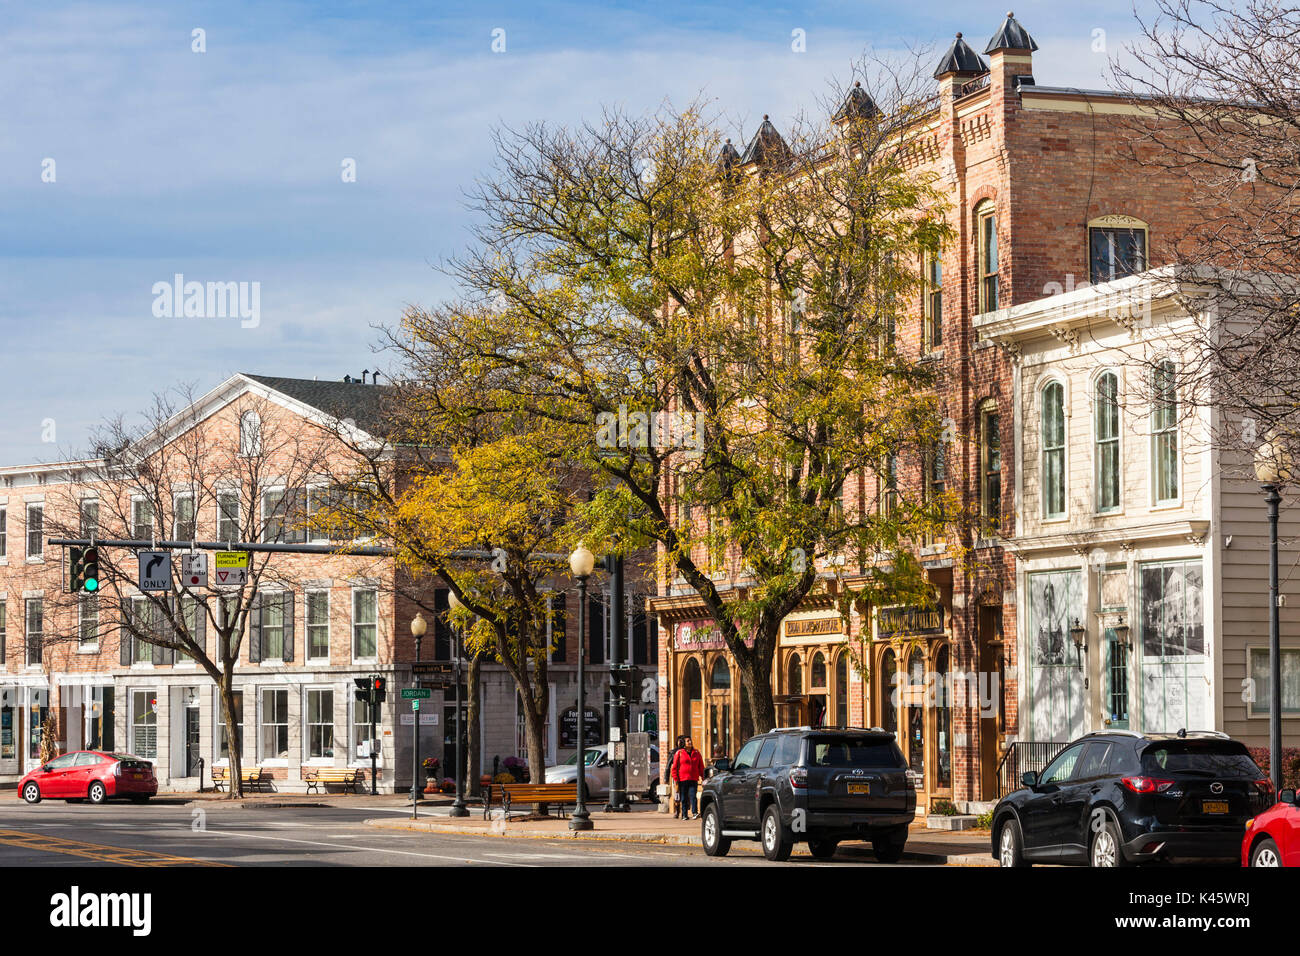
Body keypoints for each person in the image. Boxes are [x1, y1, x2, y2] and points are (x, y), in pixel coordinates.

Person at [670, 736, 705, 820]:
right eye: (687, 741)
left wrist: (703, 777)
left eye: (690, 740)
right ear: (684, 743)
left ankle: (695, 812)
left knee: (693, 796)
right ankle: (684, 814)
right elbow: (674, 767)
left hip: (693, 778)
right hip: (682, 779)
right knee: (684, 798)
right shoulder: (679, 753)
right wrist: (676, 779)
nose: (690, 742)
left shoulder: (696, 753)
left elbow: (701, 766)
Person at [666, 735, 685, 817]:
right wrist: (666, 778)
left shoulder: (688, 752)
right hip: (676, 776)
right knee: (677, 793)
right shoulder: (673, 752)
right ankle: (677, 811)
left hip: (686, 776)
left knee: (685, 794)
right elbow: (668, 765)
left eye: (682, 741)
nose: (680, 742)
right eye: (679, 740)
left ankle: (685, 811)